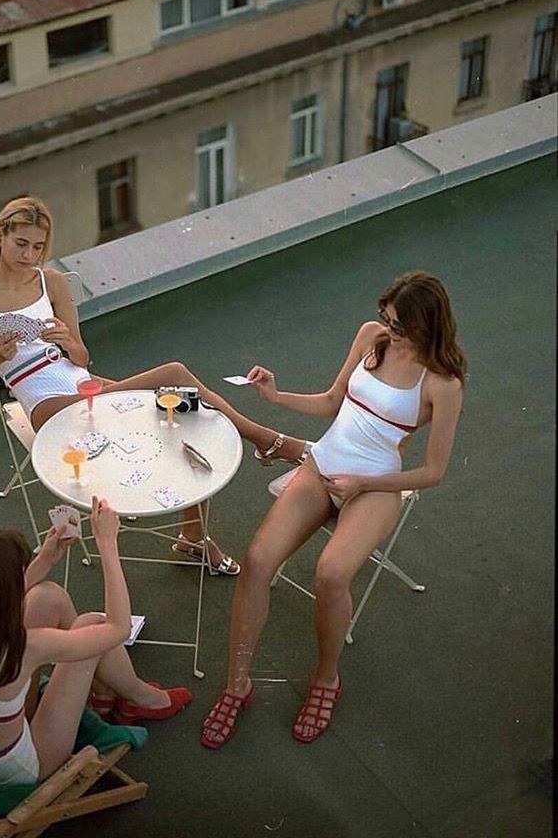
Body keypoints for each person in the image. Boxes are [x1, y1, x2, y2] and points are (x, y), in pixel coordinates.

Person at [0, 196, 308, 577]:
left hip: (82, 381)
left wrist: (68, 342)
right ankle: (268, 442)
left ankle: (194, 534)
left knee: (184, 411)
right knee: (173, 374)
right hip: (44, 401)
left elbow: (82, 358)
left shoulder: (51, 281)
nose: (29, 255)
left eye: (38, 246)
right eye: (21, 244)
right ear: (1, 235)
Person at [200, 271, 467, 749]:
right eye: (388, 318)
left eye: (400, 325)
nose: (390, 329)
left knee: (331, 575)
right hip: (324, 462)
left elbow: (433, 472)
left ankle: (326, 679)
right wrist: (275, 395)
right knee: (258, 561)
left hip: (377, 483)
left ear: (428, 325)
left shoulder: (443, 384)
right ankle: (236, 684)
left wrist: (364, 482)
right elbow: (330, 403)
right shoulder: (372, 336)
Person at [0, 496, 192, 791]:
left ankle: (103, 690)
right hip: (26, 768)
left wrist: (45, 560)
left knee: (47, 597)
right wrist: (108, 545)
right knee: (94, 625)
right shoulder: (27, 647)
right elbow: (118, 628)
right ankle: (142, 699)